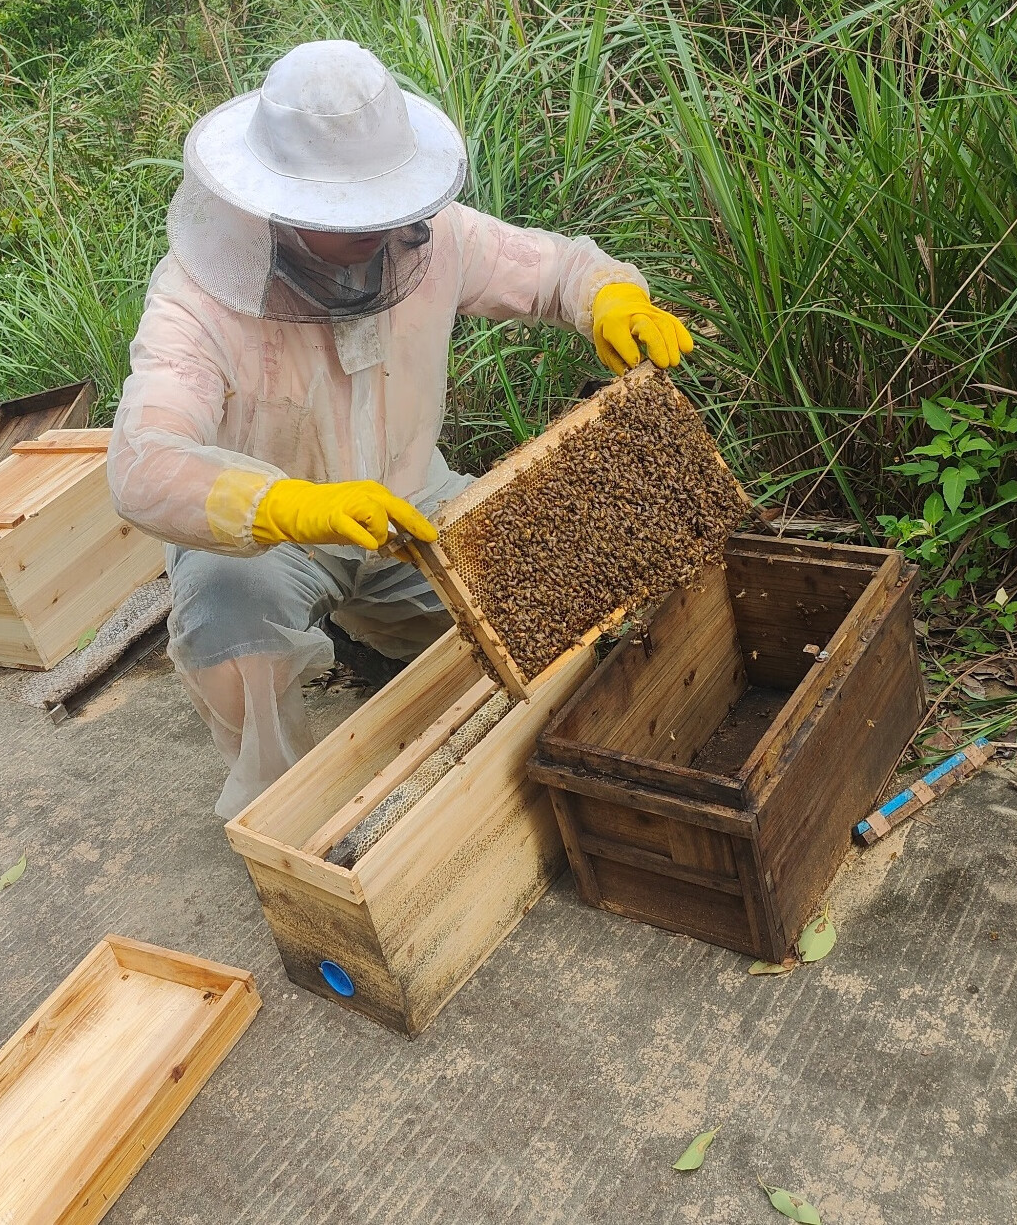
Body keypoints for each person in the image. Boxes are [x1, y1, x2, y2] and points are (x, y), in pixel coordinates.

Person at [108, 40, 694, 817]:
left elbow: (554, 269)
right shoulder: (196, 299)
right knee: (228, 618)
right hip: (275, 540)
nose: (379, 233)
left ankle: (389, 635)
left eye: (386, 211)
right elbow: (143, 462)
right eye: (350, 218)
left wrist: (612, 298)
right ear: (280, 205)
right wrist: (288, 507)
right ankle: (282, 806)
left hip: (412, 502)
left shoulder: (433, 235)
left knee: (549, 604)